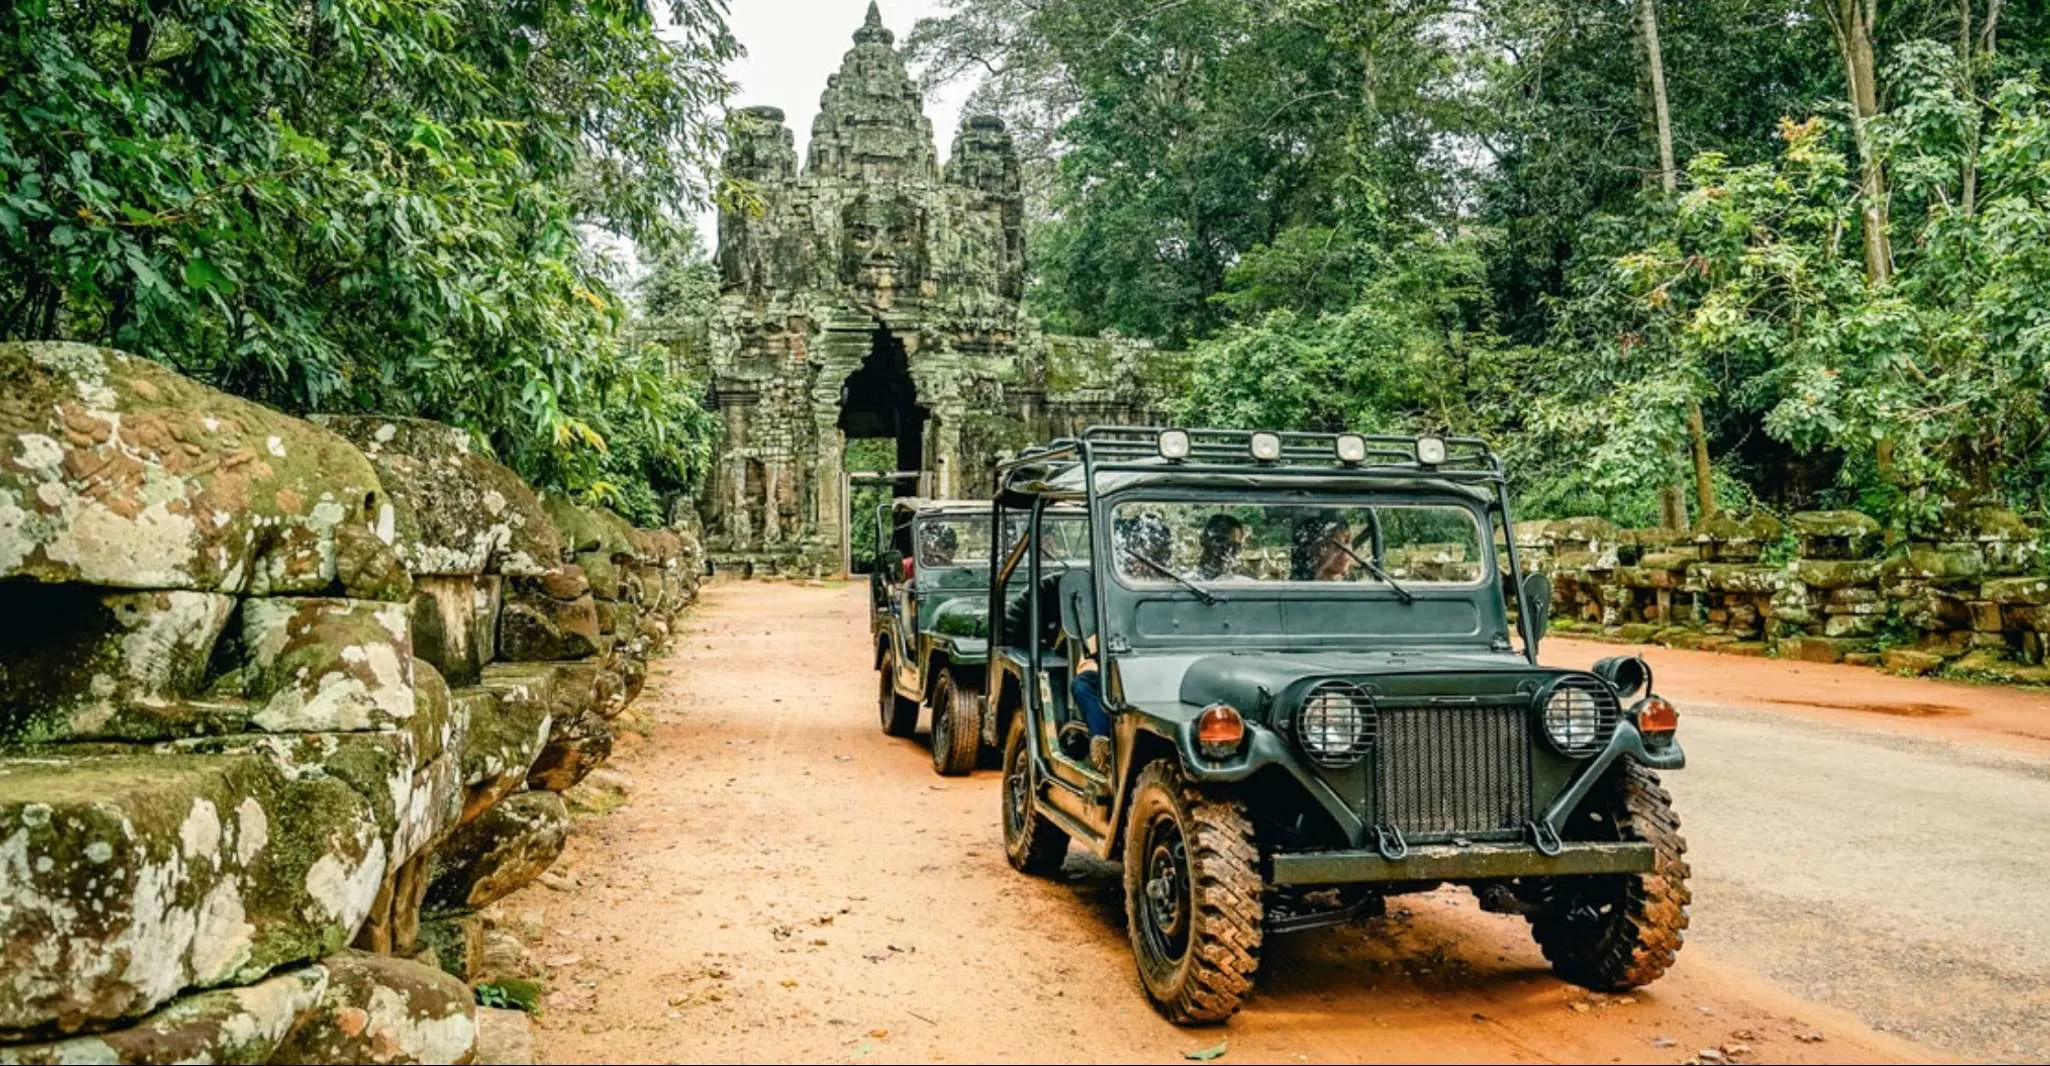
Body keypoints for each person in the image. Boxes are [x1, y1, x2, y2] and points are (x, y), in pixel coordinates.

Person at [1072, 512, 1172, 773]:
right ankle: (1104, 743)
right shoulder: (1110, 584)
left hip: (1170, 663)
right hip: (1123, 661)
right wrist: (1093, 658)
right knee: (1084, 684)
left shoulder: (1178, 582)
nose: (1147, 557)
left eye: (1155, 549)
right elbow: (1094, 634)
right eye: (1140, 550)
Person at [1289, 512, 1354, 581]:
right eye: (1335, 544)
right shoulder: (1298, 584)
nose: (1345, 550)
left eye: (1347, 541)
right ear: (1315, 550)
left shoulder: (1360, 583)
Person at [1192, 513, 1249, 580]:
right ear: (1203, 539)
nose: (1228, 550)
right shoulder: (1183, 583)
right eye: (1222, 540)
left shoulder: (1246, 586)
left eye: (1235, 546)